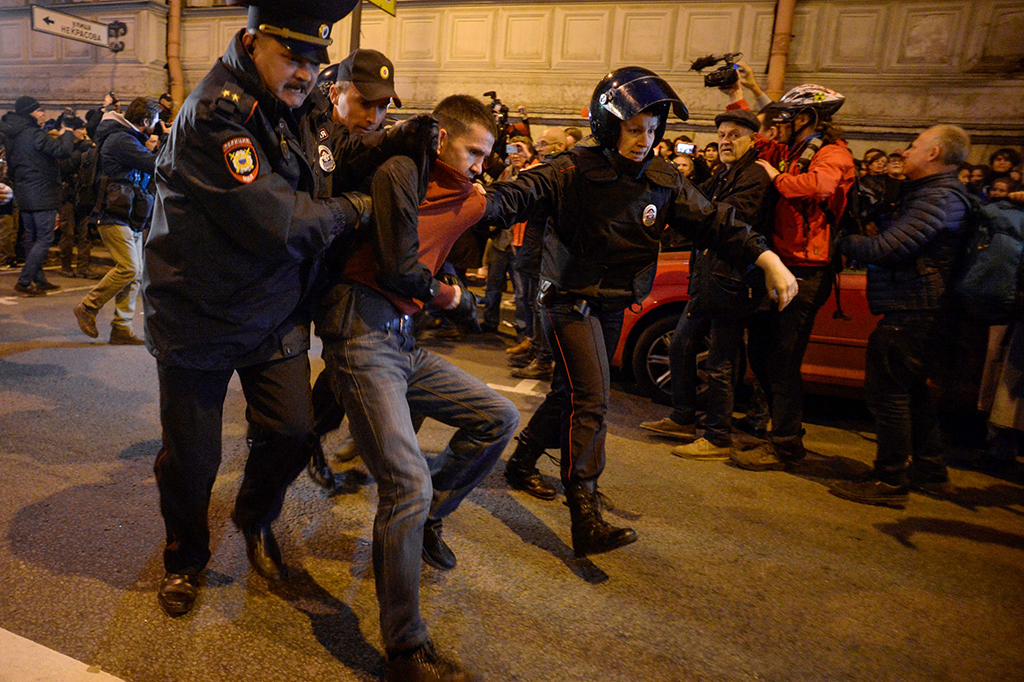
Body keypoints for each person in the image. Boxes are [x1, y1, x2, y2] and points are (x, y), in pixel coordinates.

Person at [487, 67, 797, 551]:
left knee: (571, 394)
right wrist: (467, 199)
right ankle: (584, 510)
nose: (644, 140)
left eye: (652, 130)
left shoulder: (662, 178)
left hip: (613, 304)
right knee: (593, 398)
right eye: (634, 129)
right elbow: (514, 196)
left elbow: (716, 221)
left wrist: (767, 258)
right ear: (608, 126)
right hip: (568, 302)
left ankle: (522, 461)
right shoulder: (570, 169)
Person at [141, 0, 369, 618]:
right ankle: (186, 558)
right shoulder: (215, 113)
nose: (305, 73)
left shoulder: (302, 102)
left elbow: (334, 161)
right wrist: (355, 209)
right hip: (197, 313)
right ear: (250, 43)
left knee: (293, 431)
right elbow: (281, 223)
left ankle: (255, 517)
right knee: (193, 460)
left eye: (315, 61)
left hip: (272, 307)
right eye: (291, 56)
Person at [312, 94, 518, 682]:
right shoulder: (400, 171)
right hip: (362, 333)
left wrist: (446, 282)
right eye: (473, 151)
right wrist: (449, 295)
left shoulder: (465, 194)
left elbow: (444, 242)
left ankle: (430, 517)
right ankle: (405, 650)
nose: (480, 164)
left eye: (487, 155)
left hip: (403, 341)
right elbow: (396, 264)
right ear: (441, 138)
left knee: (499, 417)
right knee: (406, 483)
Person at [830, 125, 972, 507]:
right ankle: (930, 472)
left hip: (916, 309)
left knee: (887, 393)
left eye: (914, 145)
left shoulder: (938, 197)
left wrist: (842, 240)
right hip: (918, 307)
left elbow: (888, 248)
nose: (905, 152)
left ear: (934, 153)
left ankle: (890, 479)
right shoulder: (930, 194)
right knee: (913, 393)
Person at [726, 83, 857, 472]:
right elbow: (758, 138)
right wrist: (736, 95)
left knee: (782, 360)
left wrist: (775, 177)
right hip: (781, 264)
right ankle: (776, 431)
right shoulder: (796, 151)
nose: (780, 124)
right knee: (761, 354)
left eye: (787, 117)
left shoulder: (833, 153)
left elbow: (820, 186)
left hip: (807, 271)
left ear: (807, 119)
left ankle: (785, 445)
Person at [641, 108, 778, 460]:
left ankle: (717, 436)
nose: (725, 141)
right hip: (708, 277)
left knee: (721, 362)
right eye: (722, 135)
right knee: (680, 345)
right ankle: (683, 417)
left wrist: (700, 209)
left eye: (734, 135)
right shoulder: (723, 172)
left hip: (732, 281)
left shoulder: (754, 175)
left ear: (752, 140)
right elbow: (693, 205)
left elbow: (729, 218)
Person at [72, 98, 160, 345]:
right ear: (146, 121)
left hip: (128, 213)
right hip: (112, 214)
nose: (157, 125)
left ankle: (121, 328)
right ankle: (88, 307)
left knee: (136, 273)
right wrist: (164, 141)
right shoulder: (122, 140)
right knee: (129, 268)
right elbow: (156, 165)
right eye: (155, 121)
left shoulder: (130, 138)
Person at [1, 96, 71, 296]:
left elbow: (12, 168)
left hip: (24, 193)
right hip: (42, 193)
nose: (43, 114)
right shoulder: (35, 135)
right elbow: (63, 151)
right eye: (39, 110)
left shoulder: (13, 136)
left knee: (31, 238)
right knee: (45, 238)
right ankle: (24, 281)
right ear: (30, 113)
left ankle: (39, 280)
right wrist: (67, 132)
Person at [56, 116, 100, 279]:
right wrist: (80, 152)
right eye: (80, 129)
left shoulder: (88, 147)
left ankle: (83, 267)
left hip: (84, 194)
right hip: (68, 195)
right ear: (72, 130)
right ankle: (66, 266)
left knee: (85, 233)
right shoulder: (63, 146)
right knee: (67, 232)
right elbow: (64, 166)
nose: (83, 132)